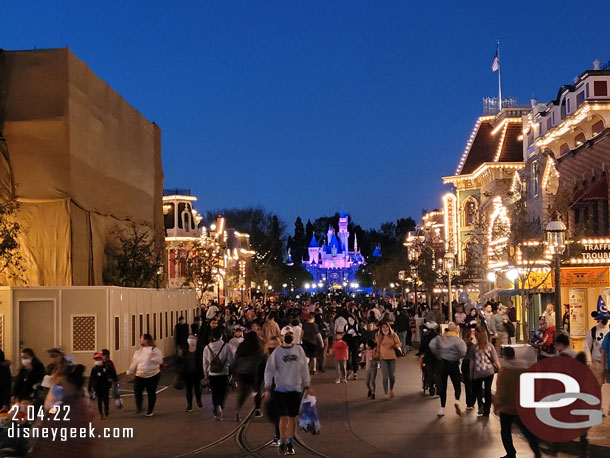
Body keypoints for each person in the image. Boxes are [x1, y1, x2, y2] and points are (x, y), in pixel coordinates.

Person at [263, 326, 313, 455]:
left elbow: (304, 368)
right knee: (283, 417)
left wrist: (307, 385)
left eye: (291, 333)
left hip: (295, 388)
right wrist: (268, 387)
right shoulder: (277, 352)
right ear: (282, 337)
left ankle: (290, 443)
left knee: (291, 417)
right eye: (286, 334)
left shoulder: (299, 350)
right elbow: (269, 370)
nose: (289, 335)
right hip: (280, 389)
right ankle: (283, 440)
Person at [33, 364, 94, 458]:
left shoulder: (74, 409)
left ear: (71, 384)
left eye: (63, 381)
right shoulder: (70, 403)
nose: (60, 385)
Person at [493, 346, 541, 458]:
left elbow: (501, 390)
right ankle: (536, 451)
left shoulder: (504, 370)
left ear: (504, 356)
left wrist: (497, 405)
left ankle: (511, 453)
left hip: (507, 407)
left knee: (505, 431)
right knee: (527, 431)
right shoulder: (524, 367)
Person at [429, 322, 467, 416]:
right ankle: (457, 400)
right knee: (456, 384)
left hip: (442, 364)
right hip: (454, 364)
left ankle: (442, 408)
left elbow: (431, 345)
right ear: (456, 330)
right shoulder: (458, 341)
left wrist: (439, 354)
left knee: (443, 386)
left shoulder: (440, 338)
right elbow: (463, 352)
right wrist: (456, 356)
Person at [127, 334, 163, 417]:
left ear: (146, 340)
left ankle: (150, 410)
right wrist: (130, 371)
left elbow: (160, 360)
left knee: (151, 392)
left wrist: (152, 357)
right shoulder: (138, 351)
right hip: (140, 375)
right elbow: (135, 363)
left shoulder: (155, 350)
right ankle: (139, 407)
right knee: (137, 391)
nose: (140, 340)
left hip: (153, 375)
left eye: (141, 338)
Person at [203, 326, 234, 421]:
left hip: (212, 374)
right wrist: (231, 372)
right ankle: (220, 405)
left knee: (214, 392)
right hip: (223, 373)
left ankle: (216, 409)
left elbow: (205, 363)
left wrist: (206, 374)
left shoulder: (207, 347)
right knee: (223, 392)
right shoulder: (226, 346)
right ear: (221, 335)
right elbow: (231, 360)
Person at [585, 296, 610, 412]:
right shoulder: (592, 331)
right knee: (597, 385)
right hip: (596, 362)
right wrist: (589, 361)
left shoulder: (609, 331)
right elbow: (587, 346)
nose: (604, 321)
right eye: (602, 319)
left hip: (608, 363)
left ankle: (607, 406)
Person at [233, 331, 264, 421]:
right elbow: (262, 360)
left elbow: (236, 359)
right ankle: (257, 410)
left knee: (242, 393)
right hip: (254, 373)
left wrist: (235, 373)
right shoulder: (257, 346)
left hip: (241, 373)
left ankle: (238, 410)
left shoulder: (241, 347)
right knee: (257, 391)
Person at [470, 326, 499, 417]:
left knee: (478, 390)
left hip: (478, 372)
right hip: (489, 372)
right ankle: (486, 411)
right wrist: (501, 370)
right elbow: (495, 360)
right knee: (487, 390)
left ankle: (480, 406)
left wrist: (471, 374)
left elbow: (471, 363)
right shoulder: (490, 346)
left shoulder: (474, 348)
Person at [375, 322, 401, 400]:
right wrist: (377, 354)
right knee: (385, 376)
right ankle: (386, 393)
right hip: (383, 358)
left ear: (389, 328)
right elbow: (378, 346)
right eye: (383, 327)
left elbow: (398, 343)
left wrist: (396, 345)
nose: (385, 328)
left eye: (386, 327)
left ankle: (391, 389)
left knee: (392, 376)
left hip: (392, 357)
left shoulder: (393, 335)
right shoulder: (379, 336)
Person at [179, 334, 203, 412]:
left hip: (197, 372)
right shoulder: (185, 350)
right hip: (187, 373)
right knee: (189, 389)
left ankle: (199, 401)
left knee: (197, 389)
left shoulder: (199, 349)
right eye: (189, 338)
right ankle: (189, 405)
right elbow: (180, 362)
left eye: (193, 338)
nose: (191, 339)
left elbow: (202, 361)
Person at [88, 352, 113, 419]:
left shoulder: (106, 367)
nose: (98, 361)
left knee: (105, 399)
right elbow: (91, 378)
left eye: (99, 359)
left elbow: (110, 374)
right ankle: (100, 413)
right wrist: (89, 387)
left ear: (102, 359)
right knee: (99, 400)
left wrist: (110, 381)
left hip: (105, 386)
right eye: (96, 359)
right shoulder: (94, 368)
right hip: (97, 386)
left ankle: (106, 409)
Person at [460, 326, 475, 410]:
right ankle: (473, 401)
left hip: (465, 364)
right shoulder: (472, 345)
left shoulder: (462, 344)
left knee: (467, 384)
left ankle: (469, 403)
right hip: (472, 364)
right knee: (473, 383)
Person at [343, 312, 361, 380]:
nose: (350, 321)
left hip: (355, 343)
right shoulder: (346, 326)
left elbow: (362, 334)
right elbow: (344, 335)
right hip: (347, 343)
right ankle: (349, 370)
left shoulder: (357, 326)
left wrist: (357, 335)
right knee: (347, 358)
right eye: (349, 320)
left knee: (354, 359)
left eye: (352, 320)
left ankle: (355, 373)